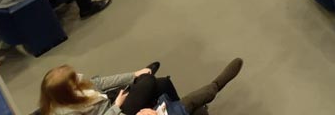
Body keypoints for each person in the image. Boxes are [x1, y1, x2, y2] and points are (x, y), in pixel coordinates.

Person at [36, 59, 243, 115]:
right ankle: (215, 86)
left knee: (160, 83)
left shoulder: (71, 91)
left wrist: (133, 74)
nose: (79, 81)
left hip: (111, 104)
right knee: (150, 82)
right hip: (115, 111)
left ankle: (173, 105)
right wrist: (116, 106)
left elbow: (99, 83)